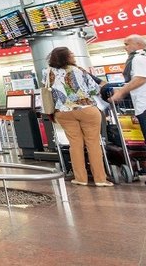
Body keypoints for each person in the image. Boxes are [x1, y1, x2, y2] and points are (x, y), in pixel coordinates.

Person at [43, 47, 111, 187]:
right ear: (66, 57)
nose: (74, 56)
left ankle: (80, 178)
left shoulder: (48, 72)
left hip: (64, 112)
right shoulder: (79, 70)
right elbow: (95, 89)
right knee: (93, 143)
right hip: (87, 110)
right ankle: (100, 179)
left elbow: (49, 92)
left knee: (75, 145)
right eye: (71, 54)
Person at [109, 35, 146, 190]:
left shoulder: (138, 58)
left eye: (127, 44)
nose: (125, 47)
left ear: (137, 44)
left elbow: (140, 78)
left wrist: (120, 92)